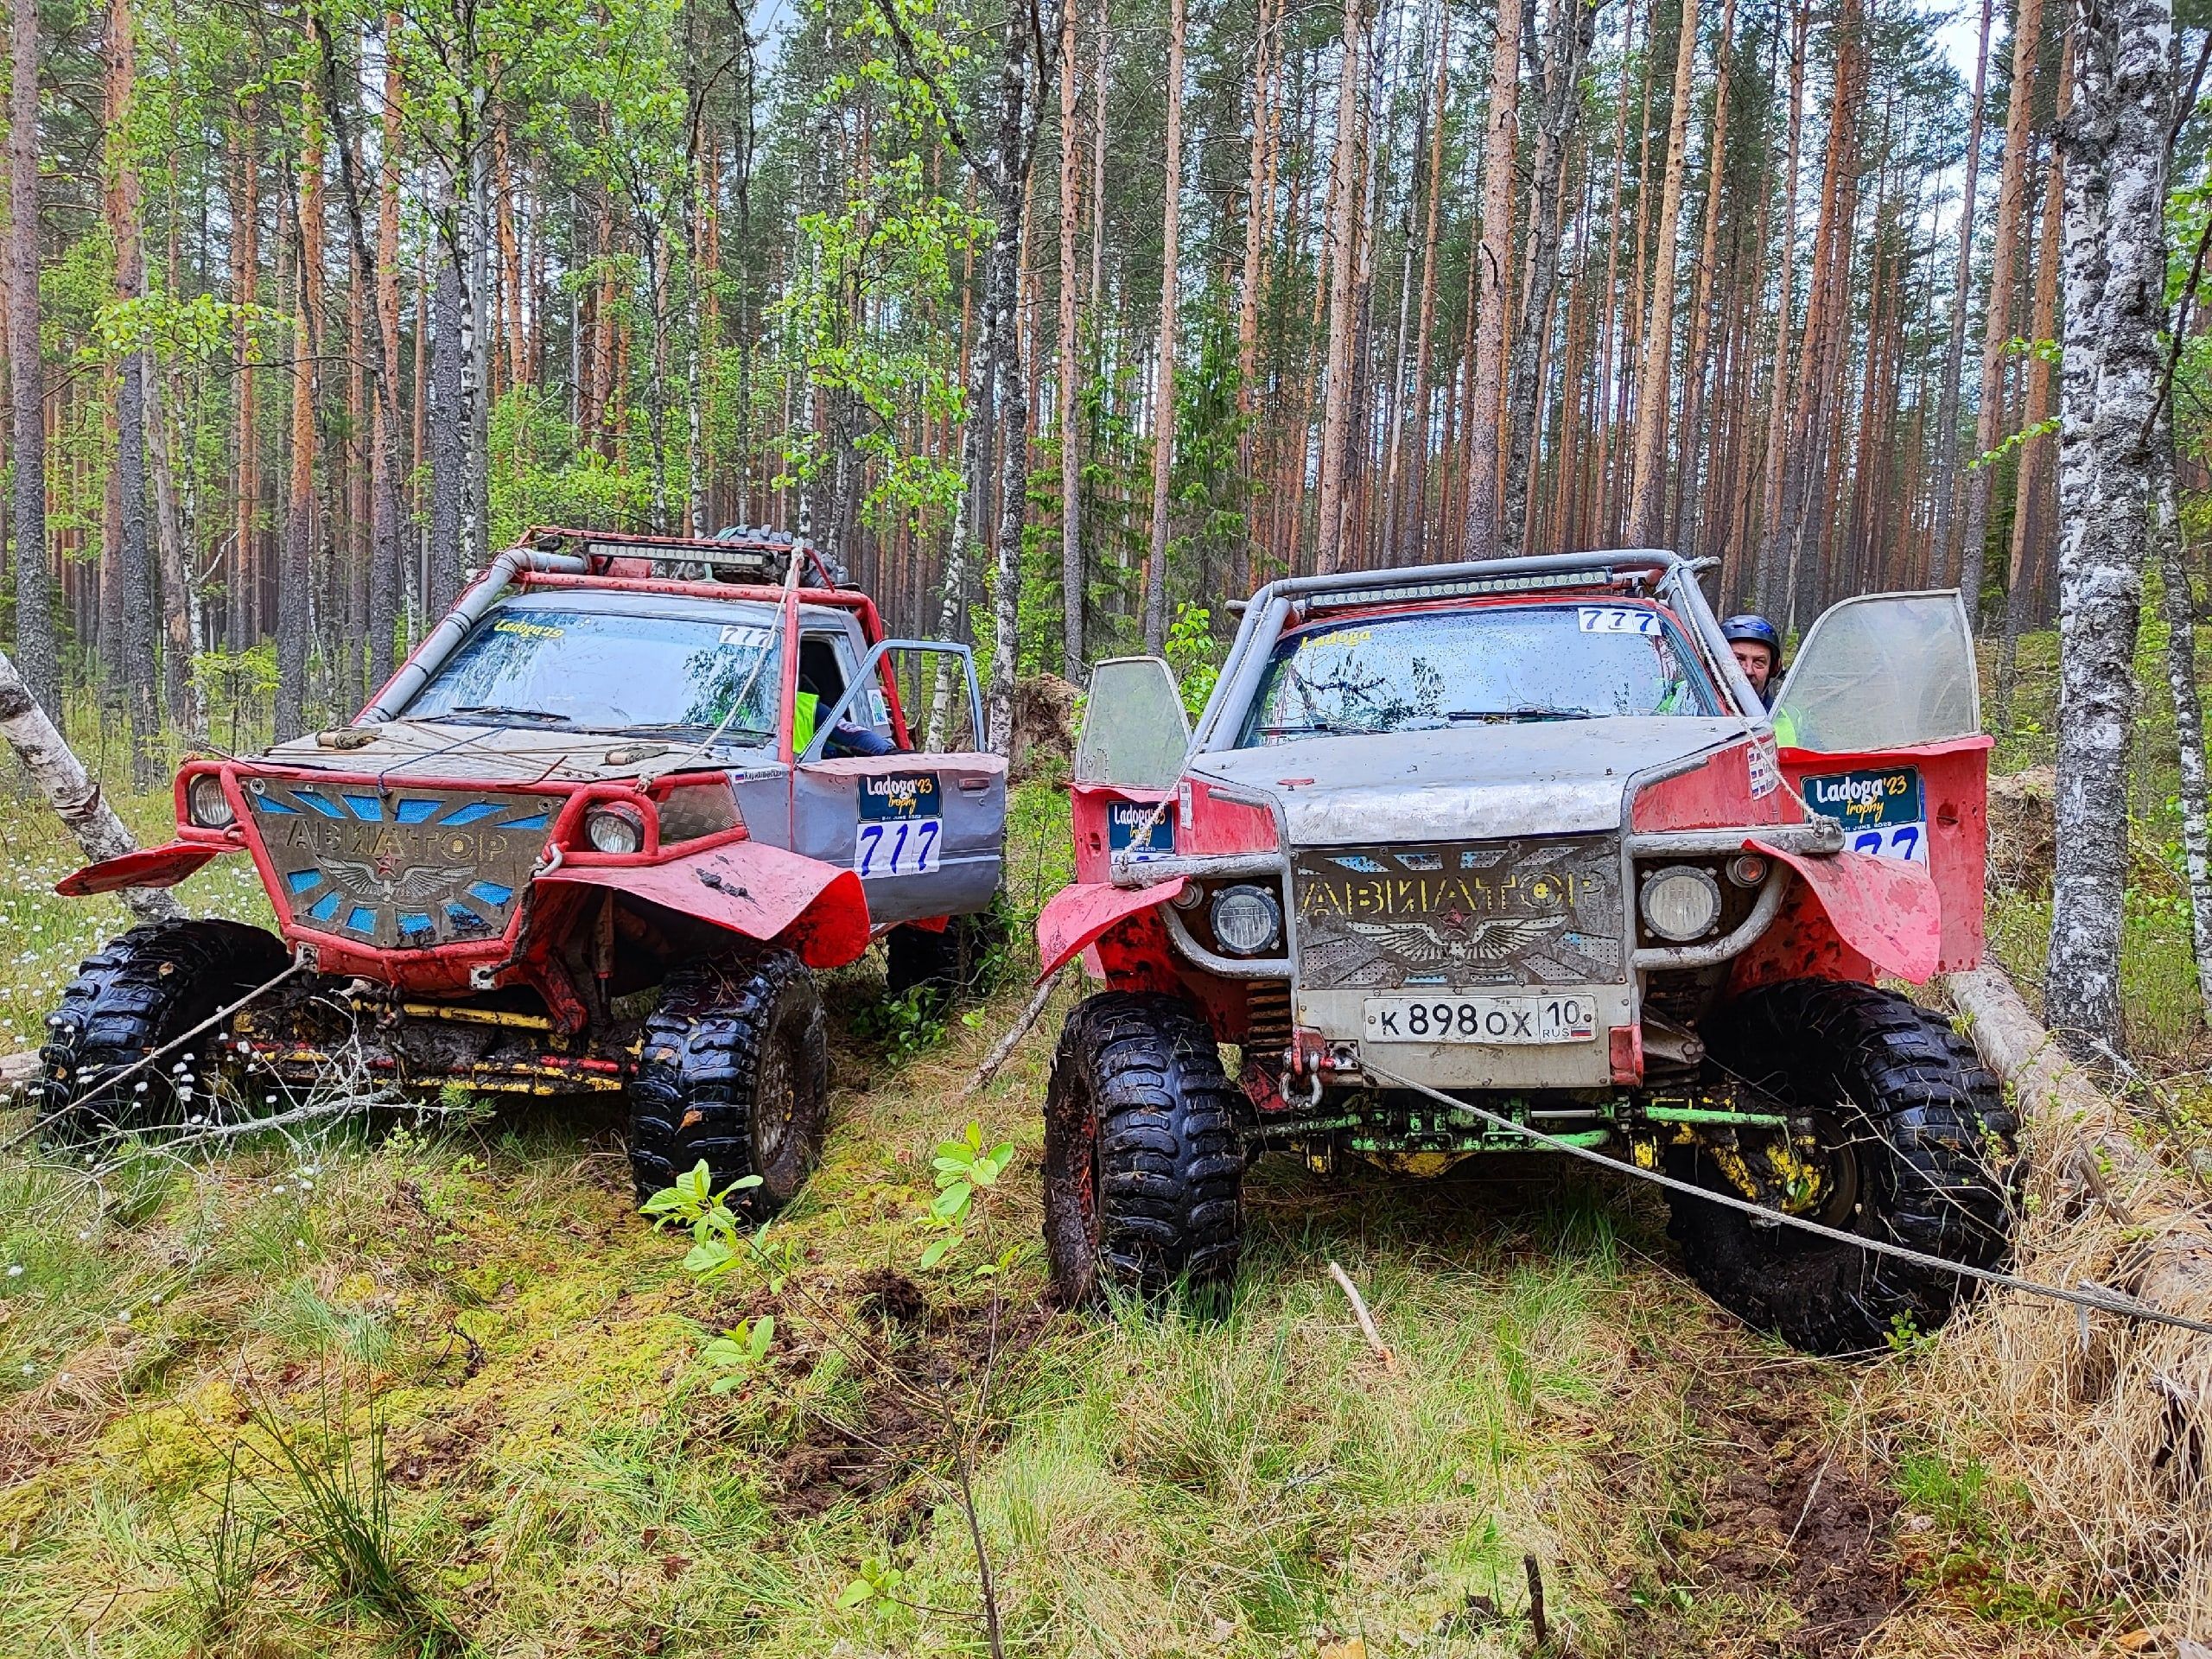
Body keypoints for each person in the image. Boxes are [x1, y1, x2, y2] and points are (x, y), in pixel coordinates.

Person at [1720, 614, 1783, 707]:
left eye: (1759, 662)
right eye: (1738, 660)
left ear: (1773, 670)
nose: (1748, 671)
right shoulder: (1692, 711)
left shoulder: (1784, 717)